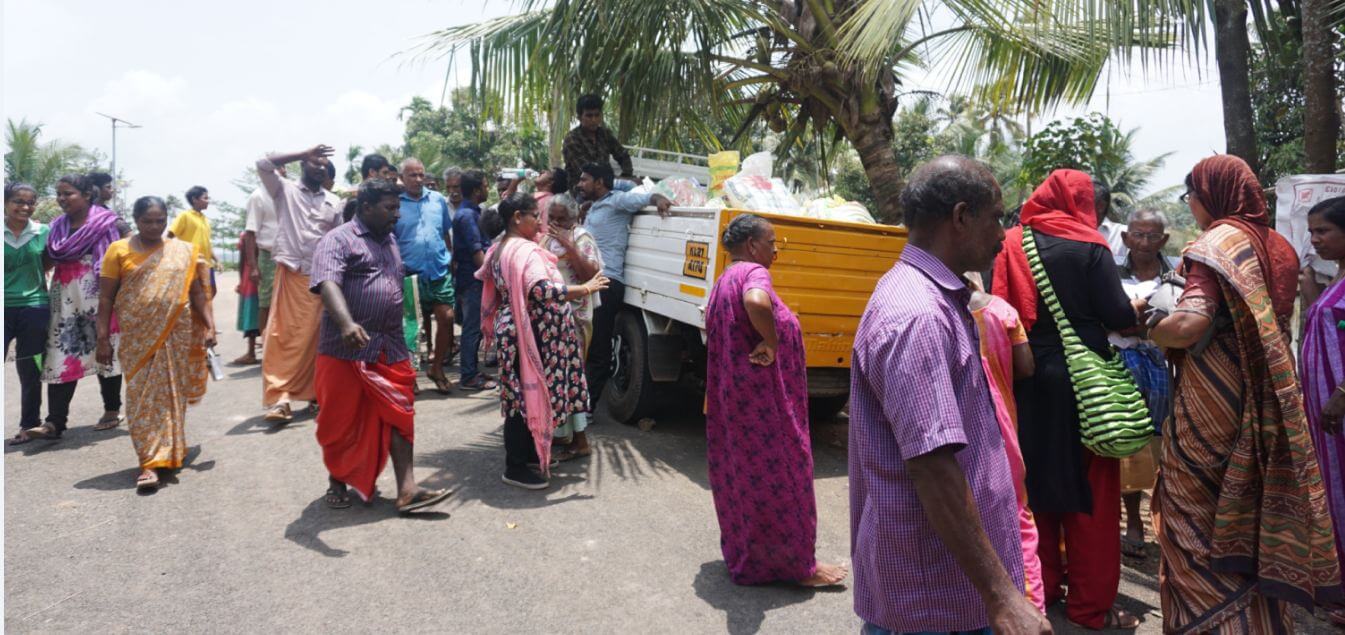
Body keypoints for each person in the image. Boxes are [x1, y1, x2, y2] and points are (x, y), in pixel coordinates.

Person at [850, 156, 1046, 634]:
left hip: (946, 591)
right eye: (997, 216)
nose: (1005, 233)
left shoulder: (934, 300)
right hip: (934, 602)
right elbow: (932, 467)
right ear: (961, 217)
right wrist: (1002, 596)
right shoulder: (920, 315)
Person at [1148, 155, 1341, 632]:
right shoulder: (1280, 246)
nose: (1191, 207)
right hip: (1268, 399)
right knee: (1252, 515)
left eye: (1190, 197)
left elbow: (1191, 323)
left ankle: (1211, 622)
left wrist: (1152, 327)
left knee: (1195, 516)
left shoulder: (1216, 243)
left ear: (1209, 194)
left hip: (1215, 401)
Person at [992, 170, 1140, 630]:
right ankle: (1089, 606)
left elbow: (1000, 311)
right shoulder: (1091, 245)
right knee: (1091, 493)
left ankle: (1041, 588)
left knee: (1035, 486)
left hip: (1028, 377)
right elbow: (1118, 314)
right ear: (1084, 203)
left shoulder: (1013, 242)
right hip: (1085, 383)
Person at [704, 213, 848, 587]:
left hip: (736, 401)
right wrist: (770, 341)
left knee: (747, 478)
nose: (775, 252)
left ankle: (753, 559)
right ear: (752, 245)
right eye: (772, 243)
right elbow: (757, 302)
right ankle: (800, 567)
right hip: (764, 406)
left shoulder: (724, 279)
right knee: (787, 475)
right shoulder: (753, 274)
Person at [310, 178, 451, 512]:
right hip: (345, 349)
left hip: (390, 345)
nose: (397, 215)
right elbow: (328, 282)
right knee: (342, 421)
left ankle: (407, 490)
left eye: (398, 208)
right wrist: (345, 323)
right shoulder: (337, 240)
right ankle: (338, 479)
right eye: (390, 208)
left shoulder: (389, 238)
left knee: (400, 413)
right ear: (366, 207)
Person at [477, 193, 607, 490]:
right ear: (517, 218)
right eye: (535, 215)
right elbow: (541, 290)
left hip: (518, 329)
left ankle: (527, 456)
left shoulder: (500, 248)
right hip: (529, 334)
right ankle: (515, 466)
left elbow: (487, 277)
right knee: (523, 398)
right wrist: (584, 288)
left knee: (523, 397)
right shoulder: (524, 251)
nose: (540, 221)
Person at [96, 196, 215, 490]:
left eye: (160, 221)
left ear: (166, 220)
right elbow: (106, 298)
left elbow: (197, 293)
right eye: (147, 221)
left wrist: (210, 326)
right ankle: (148, 462)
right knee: (141, 398)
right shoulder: (118, 250)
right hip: (137, 337)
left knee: (172, 395)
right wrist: (102, 338)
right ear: (135, 220)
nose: (154, 226)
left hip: (178, 333)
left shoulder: (182, 251)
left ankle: (168, 453)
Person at [965, 275, 1045, 612]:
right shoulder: (1002, 310)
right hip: (1001, 427)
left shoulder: (941, 309)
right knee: (1016, 514)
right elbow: (1026, 366)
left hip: (960, 428)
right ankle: (1031, 606)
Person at [29, 174, 125, 439]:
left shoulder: (108, 222)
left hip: (101, 296)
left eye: (68, 193)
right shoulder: (56, 226)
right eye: (59, 194)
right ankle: (54, 423)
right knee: (61, 353)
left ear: (86, 195)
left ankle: (111, 410)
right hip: (65, 298)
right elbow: (46, 261)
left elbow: (129, 253)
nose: (61, 199)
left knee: (106, 352)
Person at [256, 145, 343, 423]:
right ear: (303, 164)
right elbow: (263, 163)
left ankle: (317, 394)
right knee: (283, 337)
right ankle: (281, 398)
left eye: (323, 163)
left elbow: (339, 238)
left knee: (318, 338)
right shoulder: (285, 190)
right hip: (292, 274)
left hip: (324, 278)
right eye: (314, 162)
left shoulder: (334, 200)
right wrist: (305, 151)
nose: (319, 166)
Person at [577, 162, 671, 405]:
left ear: (599, 183)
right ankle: (579, 401)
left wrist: (658, 198)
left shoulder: (617, 200)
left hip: (607, 283)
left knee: (598, 347)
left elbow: (643, 198)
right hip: (592, 283)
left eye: (585, 179)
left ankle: (588, 407)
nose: (580, 184)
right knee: (586, 344)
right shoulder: (594, 206)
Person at [1108, 209, 1173, 560]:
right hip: (1123, 367)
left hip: (1166, 368)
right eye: (1138, 235)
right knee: (1129, 443)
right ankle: (1133, 522)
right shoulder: (1108, 272)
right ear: (1125, 237)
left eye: (1152, 236)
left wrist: (1142, 326)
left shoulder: (1177, 273)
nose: (1144, 243)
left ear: (1163, 239)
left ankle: (1166, 524)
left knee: (1165, 446)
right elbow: (1108, 318)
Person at [1298, 195, 1345, 626]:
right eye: (1311, 232)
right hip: (1327, 419)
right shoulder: (1337, 279)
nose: (1316, 239)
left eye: (1324, 231)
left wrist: (1341, 393)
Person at [541, 194, 601, 460]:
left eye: (561, 219)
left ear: (574, 218)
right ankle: (562, 433)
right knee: (557, 375)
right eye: (551, 218)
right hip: (553, 316)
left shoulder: (581, 237)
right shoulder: (546, 237)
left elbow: (592, 275)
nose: (555, 223)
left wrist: (569, 246)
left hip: (575, 316)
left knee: (571, 376)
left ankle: (580, 440)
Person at [396, 158, 456, 394]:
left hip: (439, 271)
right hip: (409, 274)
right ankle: (410, 375)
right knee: (411, 327)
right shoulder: (396, 204)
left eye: (421, 175)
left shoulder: (437, 200)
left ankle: (436, 367)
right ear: (402, 177)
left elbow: (444, 233)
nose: (418, 180)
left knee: (447, 317)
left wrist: (450, 259)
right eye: (412, 175)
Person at [5, 183, 50, 444]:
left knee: (30, 370)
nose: (24, 207)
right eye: (18, 201)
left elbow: (47, 264)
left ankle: (29, 424)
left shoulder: (42, 232)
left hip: (35, 308)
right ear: (5, 202)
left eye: (30, 202)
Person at [453, 170, 498, 391]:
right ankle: (469, 377)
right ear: (477, 189)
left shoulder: (472, 213)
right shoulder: (467, 216)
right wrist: (492, 278)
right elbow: (476, 252)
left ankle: (471, 370)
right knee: (471, 328)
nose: (488, 189)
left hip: (471, 278)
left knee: (475, 328)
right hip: (472, 280)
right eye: (486, 185)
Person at [242, 164, 285, 363]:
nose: (281, 172)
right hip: (268, 257)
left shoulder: (290, 193)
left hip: (291, 257)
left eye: (283, 168)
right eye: (276, 168)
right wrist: (253, 266)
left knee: (289, 305)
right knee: (266, 304)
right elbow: (250, 233)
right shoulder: (258, 196)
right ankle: (268, 351)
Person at [562, 94, 633, 185]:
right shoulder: (572, 139)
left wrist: (626, 175)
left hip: (607, 186)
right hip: (583, 191)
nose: (594, 120)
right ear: (579, 117)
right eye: (589, 116)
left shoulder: (604, 134)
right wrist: (621, 181)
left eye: (597, 115)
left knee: (638, 188)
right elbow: (588, 173)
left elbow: (623, 155)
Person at [169, 185, 217, 296]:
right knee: (196, 294)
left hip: (207, 264)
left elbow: (207, 243)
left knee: (211, 292)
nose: (208, 201)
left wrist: (217, 260)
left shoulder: (204, 219)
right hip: (192, 263)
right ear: (194, 199)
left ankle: (201, 313)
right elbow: (170, 235)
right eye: (205, 198)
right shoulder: (185, 216)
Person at [234, 232, 261, 364]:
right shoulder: (268, 231)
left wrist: (241, 281)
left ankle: (251, 352)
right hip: (264, 275)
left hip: (249, 277)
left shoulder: (246, 236)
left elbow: (241, 261)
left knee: (251, 314)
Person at [88, 171, 132, 237]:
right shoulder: (84, 212)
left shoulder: (109, 215)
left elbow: (128, 234)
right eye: (108, 187)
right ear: (96, 189)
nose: (112, 190)